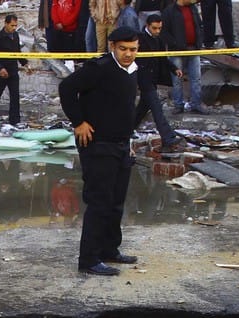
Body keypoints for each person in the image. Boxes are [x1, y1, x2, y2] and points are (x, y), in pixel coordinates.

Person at [59, 26, 141, 276]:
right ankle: (89, 259)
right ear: (112, 47)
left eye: (133, 49)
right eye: (123, 49)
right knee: (99, 202)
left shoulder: (132, 70)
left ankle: (109, 249)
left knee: (116, 202)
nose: (128, 54)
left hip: (121, 144)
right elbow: (66, 88)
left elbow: (126, 108)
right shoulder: (99, 68)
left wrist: (129, 141)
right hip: (98, 144)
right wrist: (78, 122)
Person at [135, 13, 182, 153]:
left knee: (142, 108)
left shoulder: (159, 40)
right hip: (143, 78)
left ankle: (126, 130)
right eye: (154, 28)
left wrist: (174, 69)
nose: (157, 31)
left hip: (153, 78)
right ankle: (168, 137)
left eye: (159, 28)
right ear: (147, 26)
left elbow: (163, 58)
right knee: (156, 108)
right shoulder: (139, 39)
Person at [162, 0, 205, 114]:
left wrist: (199, 41)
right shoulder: (169, 11)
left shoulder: (193, 8)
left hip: (194, 49)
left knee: (196, 78)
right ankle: (178, 105)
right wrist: (175, 44)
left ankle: (196, 104)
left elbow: (199, 25)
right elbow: (164, 31)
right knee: (177, 79)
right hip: (177, 51)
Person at [0, 14, 27, 125]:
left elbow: (17, 52)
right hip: (0, 72)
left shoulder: (15, 35)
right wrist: (1, 69)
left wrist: (25, 64)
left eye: (15, 26)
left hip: (13, 70)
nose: (14, 28)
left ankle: (14, 120)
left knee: (15, 95)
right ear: (6, 24)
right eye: (12, 25)